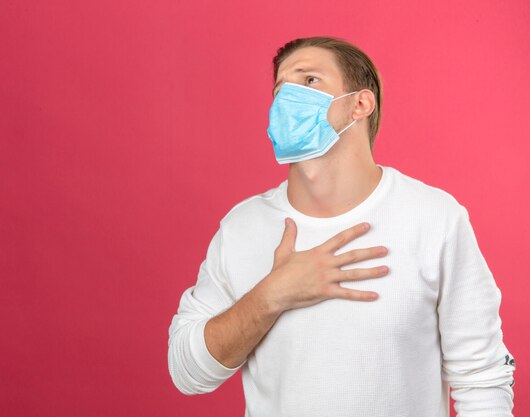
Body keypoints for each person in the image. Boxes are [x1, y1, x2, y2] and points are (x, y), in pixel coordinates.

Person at [167, 36, 516, 417]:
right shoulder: (242, 226)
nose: (287, 98)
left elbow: (481, 378)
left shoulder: (435, 217)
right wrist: (272, 295)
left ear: (360, 104)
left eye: (309, 80)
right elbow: (188, 373)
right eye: (280, 89)